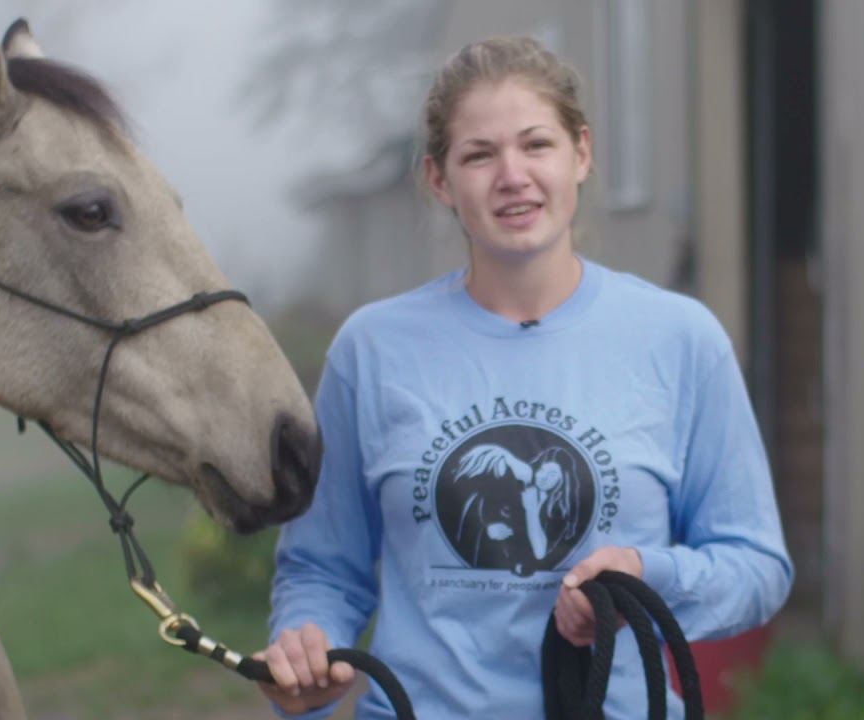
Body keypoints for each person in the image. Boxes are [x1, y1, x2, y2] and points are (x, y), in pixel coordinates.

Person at [255, 34, 793, 719]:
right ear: (439, 180)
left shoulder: (681, 340)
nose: (513, 175)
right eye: (479, 154)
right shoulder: (372, 350)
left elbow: (757, 567)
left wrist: (646, 579)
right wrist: (308, 647)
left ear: (582, 154)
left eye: (536, 145)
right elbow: (321, 566)